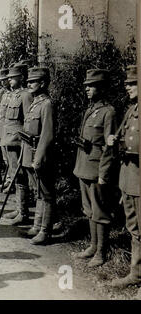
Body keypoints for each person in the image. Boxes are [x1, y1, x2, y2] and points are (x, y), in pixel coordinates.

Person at [73, 69, 116, 267]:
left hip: (97, 169)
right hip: (84, 166)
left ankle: (101, 252)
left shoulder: (109, 112)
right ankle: (92, 246)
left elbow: (109, 147)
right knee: (89, 209)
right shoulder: (90, 110)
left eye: (91, 86)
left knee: (100, 211)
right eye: (86, 86)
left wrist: (104, 174)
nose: (87, 89)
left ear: (101, 88)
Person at [109, 65, 141, 288]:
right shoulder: (131, 110)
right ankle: (136, 274)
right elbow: (123, 137)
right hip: (128, 177)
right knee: (134, 228)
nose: (127, 87)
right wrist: (115, 140)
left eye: (133, 83)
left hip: (138, 178)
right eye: (127, 83)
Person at [22, 67, 56, 245]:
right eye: (28, 81)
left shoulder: (47, 104)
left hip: (42, 156)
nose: (29, 84)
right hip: (32, 152)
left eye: (32, 81)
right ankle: (37, 225)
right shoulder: (35, 103)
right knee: (40, 193)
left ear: (42, 83)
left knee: (47, 194)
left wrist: (39, 158)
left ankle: (45, 230)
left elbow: (47, 135)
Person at [2, 64, 33, 224]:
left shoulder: (26, 95)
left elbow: (28, 122)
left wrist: (25, 144)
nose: (9, 79)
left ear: (21, 77)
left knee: (20, 177)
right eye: (8, 77)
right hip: (9, 140)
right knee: (15, 177)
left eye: (12, 77)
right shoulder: (13, 95)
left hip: (18, 142)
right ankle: (18, 209)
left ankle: (24, 212)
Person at [0, 67, 12, 188]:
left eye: (5, 79)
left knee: (12, 159)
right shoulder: (4, 94)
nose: (3, 82)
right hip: (3, 130)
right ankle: (8, 179)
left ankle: (11, 181)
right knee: (5, 158)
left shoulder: (14, 94)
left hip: (11, 132)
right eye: (1, 80)